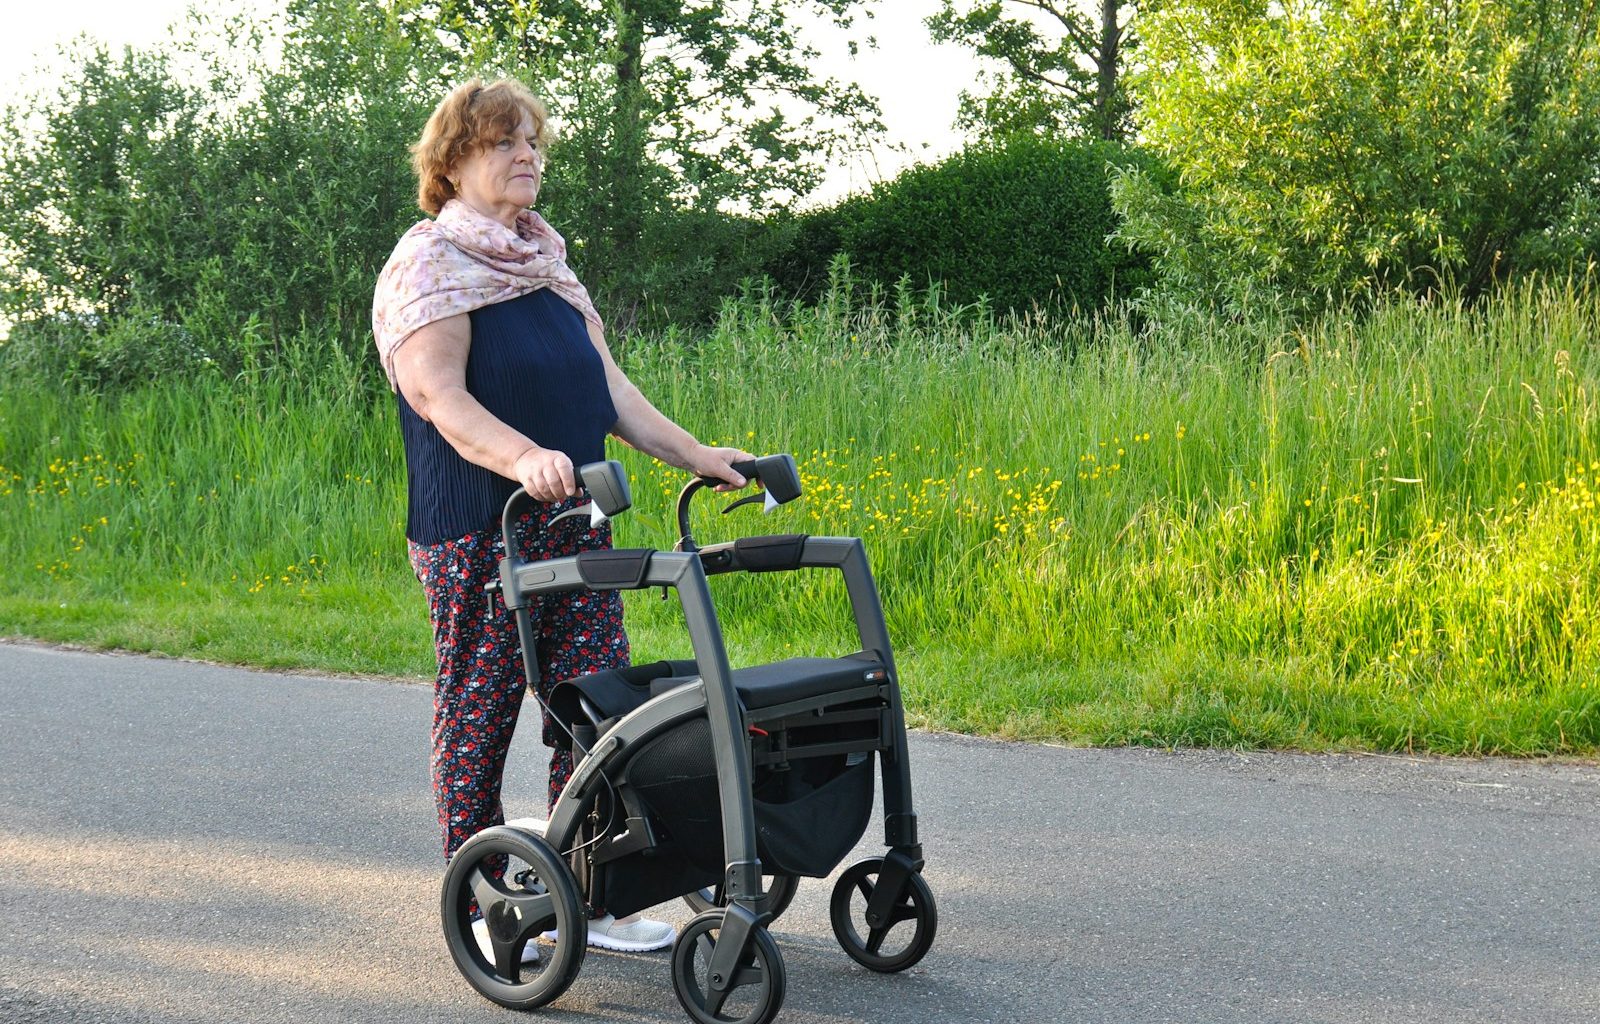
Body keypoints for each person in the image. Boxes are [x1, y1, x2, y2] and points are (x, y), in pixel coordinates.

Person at [371, 78, 751, 955]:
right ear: (454, 160)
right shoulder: (429, 263)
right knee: (481, 709)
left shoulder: (545, 261)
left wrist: (700, 455)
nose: (527, 156)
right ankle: (487, 907)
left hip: (573, 517)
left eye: (533, 142)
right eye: (505, 141)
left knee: (593, 709)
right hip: (481, 525)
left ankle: (593, 891)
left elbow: (610, 391)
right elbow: (440, 396)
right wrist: (523, 458)